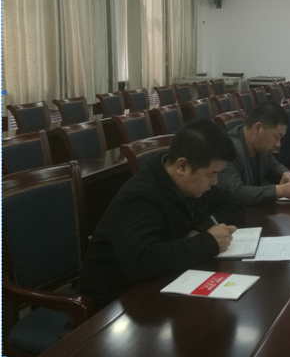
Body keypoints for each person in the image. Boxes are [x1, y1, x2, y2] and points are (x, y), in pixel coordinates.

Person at [78, 119, 244, 307]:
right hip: (115, 301)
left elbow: (234, 204)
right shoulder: (140, 197)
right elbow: (142, 262)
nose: (215, 182)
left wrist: (199, 230)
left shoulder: (193, 185)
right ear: (182, 166)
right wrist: (209, 242)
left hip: (162, 283)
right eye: (211, 174)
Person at [217, 102, 290, 205]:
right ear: (257, 128)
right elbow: (235, 192)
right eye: (276, 137)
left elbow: (274, 165)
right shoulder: (229, 149)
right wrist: (281, 190)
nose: (278, 144)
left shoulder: (260, 146)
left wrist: (286, 174)